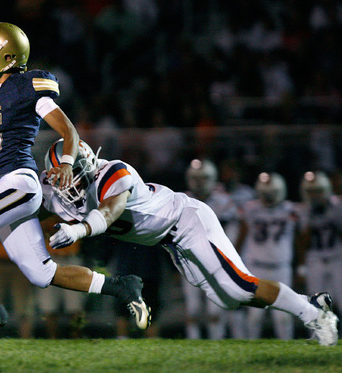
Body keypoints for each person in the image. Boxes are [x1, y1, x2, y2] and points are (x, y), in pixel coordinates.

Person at [0, 22, 150, 337]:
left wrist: (66, 162)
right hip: (1, 186)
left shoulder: (29, 86)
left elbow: (69, 131)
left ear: (8, 57)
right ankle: (121, 286)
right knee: (41, 272)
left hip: (19, 183)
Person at [40, 138, 339, 346]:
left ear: (89, 164)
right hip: (169, 241)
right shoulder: (54, 191)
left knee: (240, 285)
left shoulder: (114, 171)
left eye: (75, 176)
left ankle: (315, 315)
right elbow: (30, 203)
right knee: (228, 299)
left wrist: (78, 230)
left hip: (188, 220)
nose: (70, 186)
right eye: (62, 180)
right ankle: (309, 302)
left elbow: (109, 211)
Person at [236, 172, 298, 340]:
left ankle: (286, 352)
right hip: (256, 266)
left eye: (272, 194)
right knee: (254, 316)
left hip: (281, 267)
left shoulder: (291, 210)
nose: (269, 198)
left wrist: (301, 265)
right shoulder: (250, 208)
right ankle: (251, 352)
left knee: (283, 316)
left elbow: (301, 238)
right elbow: (242, 234)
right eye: (266, 194)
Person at [183, 159, 239, 339]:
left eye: (204, 178)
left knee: (215, 309)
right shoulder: (182, 199)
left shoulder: (223, 201)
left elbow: (234, 230)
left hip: (215, 261)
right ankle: (193, 344)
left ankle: (216, 343)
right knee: (192, 309)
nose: (199, 182)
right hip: (189, 259)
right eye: (195, 178)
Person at [298, 171, 342, 316]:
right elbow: (303, 239)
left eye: (318, 191)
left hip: (337, 258)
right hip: (315, 259)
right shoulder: (304, 210)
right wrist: (301, 265)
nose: (315, 195)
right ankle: (319, 336)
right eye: (311, 192)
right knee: (316, 303)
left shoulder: (337, 206)